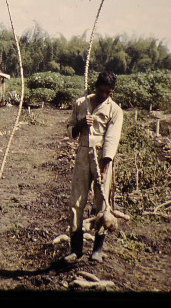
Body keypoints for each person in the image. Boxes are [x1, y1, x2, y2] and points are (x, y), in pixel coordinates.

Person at [64, 72, 123, 263]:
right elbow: (70, 130)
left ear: (112, 91)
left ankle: (97, 249)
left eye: (108, 92)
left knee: (102, 203)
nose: (104, 95)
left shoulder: (115, 110)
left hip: (102, 158)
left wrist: (105, 168)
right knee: (76, 202)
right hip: (83, 153)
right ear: (95, 87)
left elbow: (112, 139)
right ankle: (76, 249)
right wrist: (81, 124)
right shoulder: (81, 103)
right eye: (101, 91)